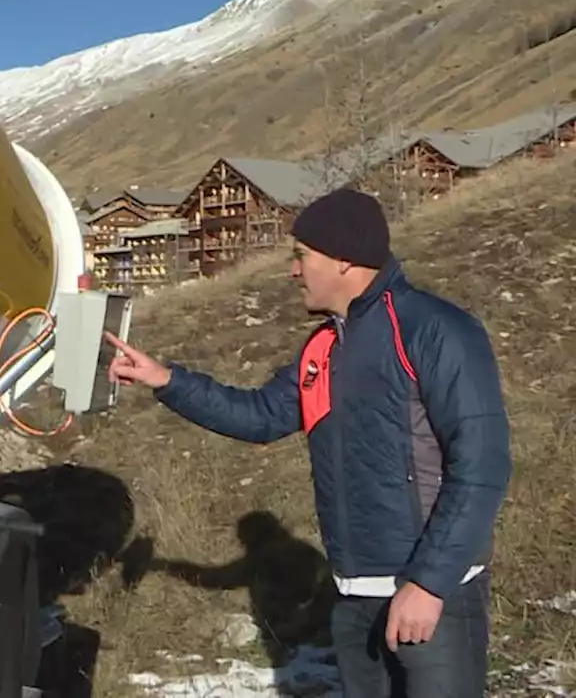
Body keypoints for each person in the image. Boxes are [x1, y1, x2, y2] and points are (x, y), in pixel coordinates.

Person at [105, 187, 512, 697]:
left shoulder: (436, 331)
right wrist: (166, 380)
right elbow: (259, 416)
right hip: (355, 599)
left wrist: (429, 584)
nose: (292, 271)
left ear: (344, 259)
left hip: (434, 599)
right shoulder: (323, 348)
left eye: (301, 256)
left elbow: (482, 466)